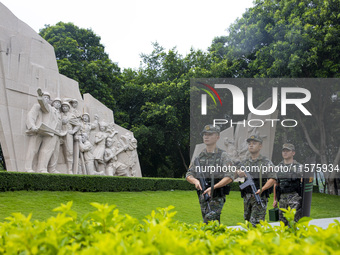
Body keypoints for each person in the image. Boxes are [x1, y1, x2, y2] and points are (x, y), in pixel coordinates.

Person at [186, 124, 234, 224]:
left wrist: (213, 187)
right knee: (209, 223)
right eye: (204, 134)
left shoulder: (223, 156)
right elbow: (189, 174)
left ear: (217, 137)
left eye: (210, 134)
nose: (206, 137)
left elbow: (230, 176)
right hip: (203, 195)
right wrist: (195, 181)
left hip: (216, 195)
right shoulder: (199, 157)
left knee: (210, 219)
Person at [236, 135, 276, 227]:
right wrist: (239, 172)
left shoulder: (266, 162)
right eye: (249, 143)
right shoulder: (245, 162)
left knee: (256, 224)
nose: (251, 145)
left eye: (254, 143)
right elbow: (235, 172)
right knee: (247, 221)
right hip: (247, 197)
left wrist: (262, 189)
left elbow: (273, 178)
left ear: (260, 146)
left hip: (259, 195)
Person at [273, 143, 303, 225]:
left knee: (294, 222)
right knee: (283, 224)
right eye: (283, 151)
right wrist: (275, 200)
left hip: (295, 198)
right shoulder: (278, 167)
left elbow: (304, 183)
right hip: (282, 199)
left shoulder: (299, 167)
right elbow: (276, 184)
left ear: (293, 153)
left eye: (287, 151)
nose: (285, 153)